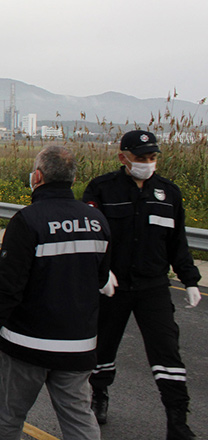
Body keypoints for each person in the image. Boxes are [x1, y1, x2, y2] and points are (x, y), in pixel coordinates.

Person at [0, 145, 111, 440]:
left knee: (9, 417)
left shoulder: (28, 221)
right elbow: (101, 279)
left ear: (37, 176)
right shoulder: (96, 221)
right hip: (78, 347)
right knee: (80, 422)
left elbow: (8, 289)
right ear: (73, 180)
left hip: (27, 345)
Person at [84, 130, 202, 439]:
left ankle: (177, 420)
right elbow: (93, 237)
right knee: (103, 347)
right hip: (114, 286)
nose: (148, 164)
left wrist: (190, 280)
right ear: (123, 157)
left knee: (167, 353)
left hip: (153, 287)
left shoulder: (168, 193)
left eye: (152, 158)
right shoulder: (102, 189)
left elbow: (178, 242)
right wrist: (102, 272)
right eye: (141, 158)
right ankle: (99, 397)